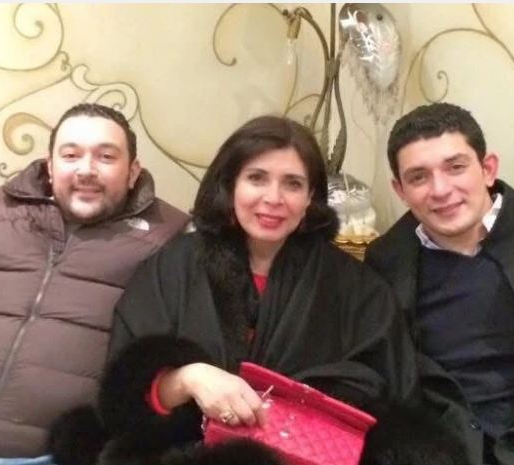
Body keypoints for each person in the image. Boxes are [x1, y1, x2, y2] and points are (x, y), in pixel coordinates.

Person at [49, 115, 467, 465]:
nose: (273, 198)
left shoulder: (359, 289)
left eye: (292, 184)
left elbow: (394, 405)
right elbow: (124, 401)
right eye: (256, 178)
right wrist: (191, 378)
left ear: (311, 198)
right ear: (230, 185)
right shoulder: (174, 267)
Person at [0, 103, 190, 461]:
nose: (86, 170)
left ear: (133, 171)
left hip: (56, 457)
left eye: (106, 156)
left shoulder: (171, 239)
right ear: (50, 165)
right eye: (71, 155)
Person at [365, 102, 514, 465]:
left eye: (455, 167)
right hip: (446, 445)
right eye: (418, 177)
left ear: (488, 169)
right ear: (400, 190)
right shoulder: (386, 261)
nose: (440, 190)